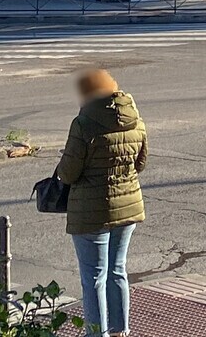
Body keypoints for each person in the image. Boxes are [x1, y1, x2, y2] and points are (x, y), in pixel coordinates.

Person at [55, 68, 147, 337]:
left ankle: (97, 333)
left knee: (94, 278)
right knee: (117, 271)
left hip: (91, 211)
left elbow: (68, 173)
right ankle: (120, 330)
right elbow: (140, 163)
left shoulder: (83, 124)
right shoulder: (136, 120)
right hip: (128, 206)